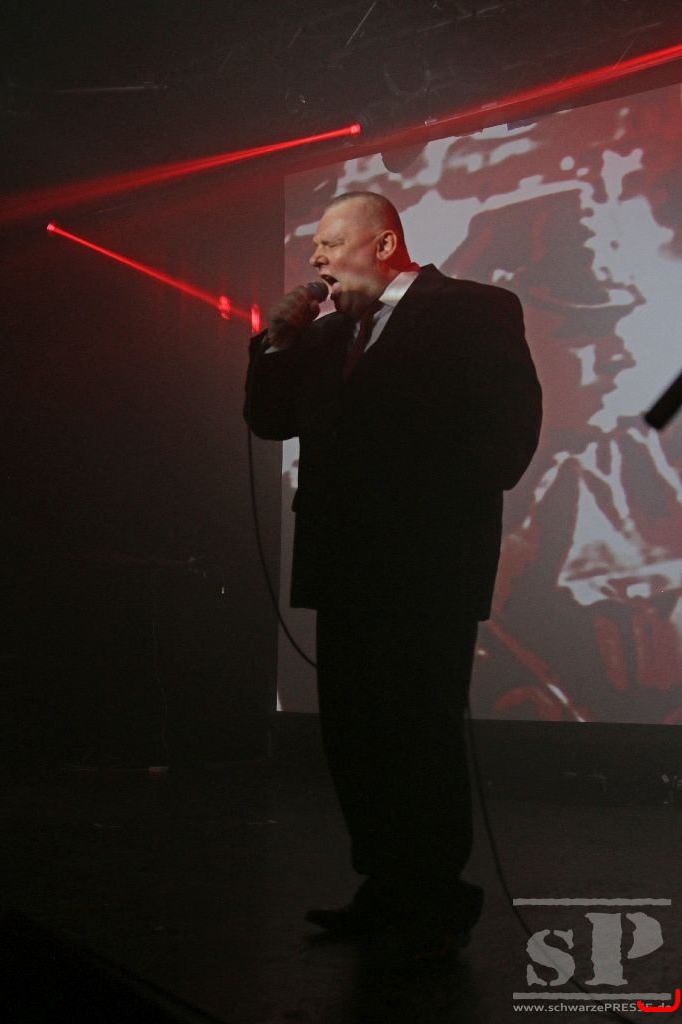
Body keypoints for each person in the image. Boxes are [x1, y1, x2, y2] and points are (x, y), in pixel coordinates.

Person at [244, 191, 542, 959]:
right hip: (343, 564)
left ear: (382, 245)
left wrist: (418, 501)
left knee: (417, 731)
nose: (315, 257)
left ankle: (434, 900)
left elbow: (506, 436)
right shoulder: (324, 335)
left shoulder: (472, 309)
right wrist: (276, 345)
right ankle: (384, 889)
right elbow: (269, 421)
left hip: (425, 564)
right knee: (355, 733)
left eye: (329, 242)